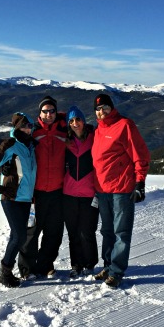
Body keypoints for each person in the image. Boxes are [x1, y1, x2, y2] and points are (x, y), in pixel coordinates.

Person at [91, 93, 150, 288]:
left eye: (104, 108)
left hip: (122, 189)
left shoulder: (125, 125)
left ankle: (117, 271)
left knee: (121, 232)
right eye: (98, 109)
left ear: (112, 108)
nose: (101, 111)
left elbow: (140, 154)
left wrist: (140, 182)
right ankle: (108, 266)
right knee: (107, 231)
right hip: (102, 190)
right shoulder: (99, 130)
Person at [0, 112, 37, 288]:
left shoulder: (30, 146)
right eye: (25, 126)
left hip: (26, 199)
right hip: (11, 198)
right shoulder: (10, 144)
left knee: (18, 235)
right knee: (20, 236)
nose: (29, 128)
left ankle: (6, 273)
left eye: (30, 126)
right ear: (18, 128)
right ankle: (4, 272)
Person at [18, 95, 67, 279]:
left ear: (56, 112)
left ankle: (46, 265)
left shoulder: (63, 132)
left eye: (52, 111)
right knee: (31, 232)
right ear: (40, 113)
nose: (48, 114)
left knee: (53, 232)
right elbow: (16, 146)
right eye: (45, 111)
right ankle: (26, 269)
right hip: (35, 193)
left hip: (57, 191)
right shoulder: (33, 132)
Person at [63, 105, 99, 278]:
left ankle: (90, 264)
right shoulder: (66, 142)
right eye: (71, 121)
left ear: (84, 121)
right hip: (68, 194)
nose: (75, 123)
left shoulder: (94, 138)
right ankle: (76, 265)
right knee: (73, 232)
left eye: (78, 119)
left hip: (89, 193)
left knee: (87, 231)